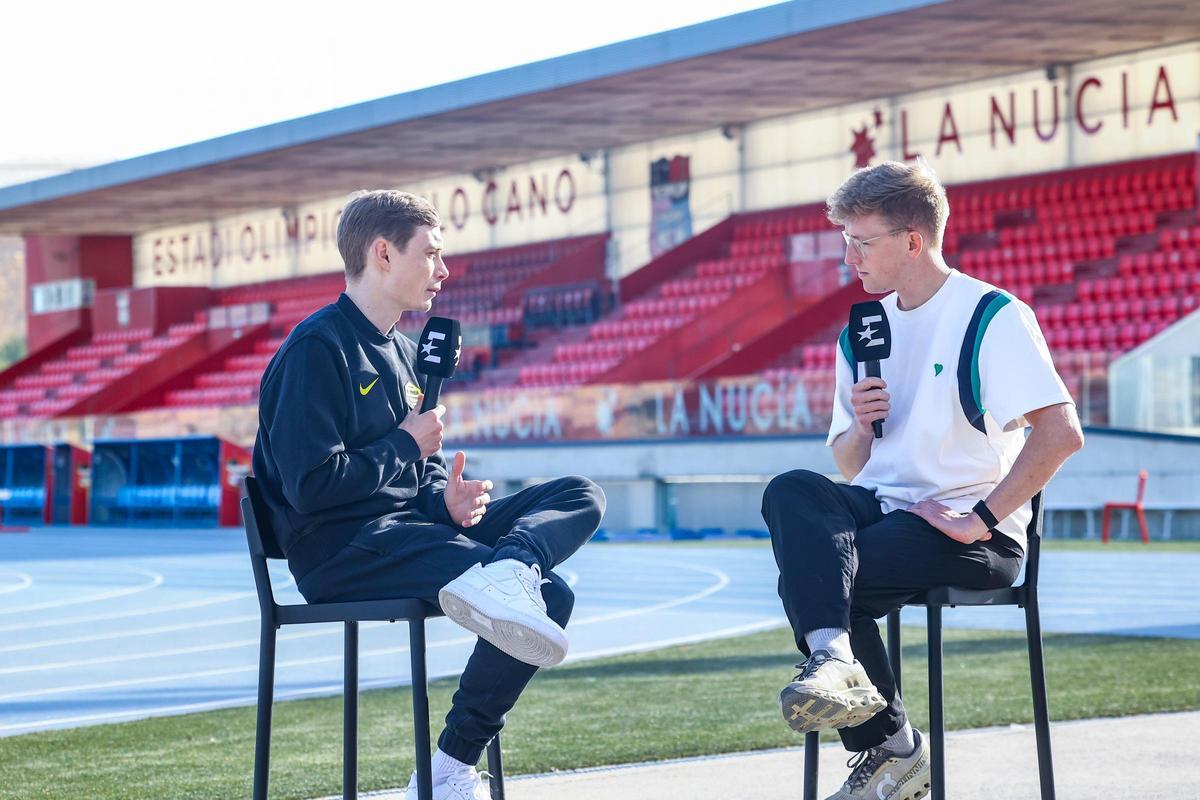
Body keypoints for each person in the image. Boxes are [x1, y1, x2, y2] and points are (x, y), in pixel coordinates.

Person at [252, 190, 605, 800]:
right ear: (383, 254)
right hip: (344, 551)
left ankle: (514, 564)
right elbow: (309, 489)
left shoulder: (408, 352)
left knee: (581, 494)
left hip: (413, 533)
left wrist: (445, 499)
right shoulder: (317, 349)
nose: (444, 272)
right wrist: (405, 446)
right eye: (433, 255)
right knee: (548, 597)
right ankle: (449, 771)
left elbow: (423, 472)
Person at [761, 160, 1083, 800]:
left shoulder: (991, 315)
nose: (848, 255)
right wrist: (860, 422)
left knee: (823, 579)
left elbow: (1061, 433)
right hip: (886, 511)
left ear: (913, 240)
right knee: (791, 490)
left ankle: (890, 748)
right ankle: (840, 667)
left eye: (862, 240)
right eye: (845, 240)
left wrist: (981, 519)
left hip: (969, 532)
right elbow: (853, 466)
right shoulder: (863, 331)